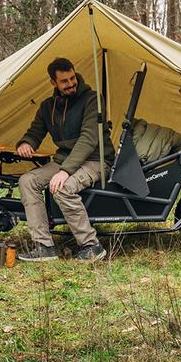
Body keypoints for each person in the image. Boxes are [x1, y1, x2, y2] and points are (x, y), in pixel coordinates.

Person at [15, 58, 115, 262]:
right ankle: (43, 247)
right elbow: (35, 132)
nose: (70, 84)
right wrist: (26, 143)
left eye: (72, 78)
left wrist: (65, 171)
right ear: (53, 83)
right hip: (65, 160)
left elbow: (88, 139)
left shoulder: (92, 99)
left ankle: (91, 245)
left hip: (96, 159)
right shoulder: (47, 106)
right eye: (64, 81)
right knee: (27, 181)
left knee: (62, 188)